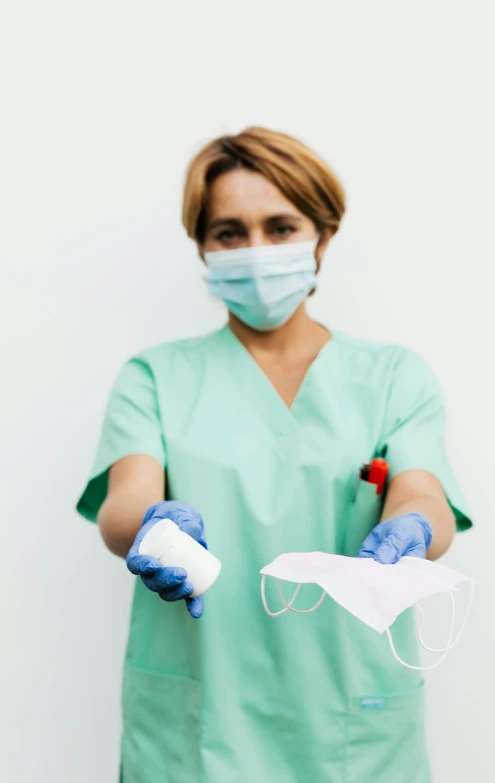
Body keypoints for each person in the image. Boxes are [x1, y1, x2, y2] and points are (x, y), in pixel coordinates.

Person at [77, 127, 472, 783]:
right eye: (229, 232)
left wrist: (417, 524)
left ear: (323, 234)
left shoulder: (393, 377)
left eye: (280, 226)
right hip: (200, 729)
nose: (255, 251)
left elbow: (422, 490)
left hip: (352, 724)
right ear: (202, 245)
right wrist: (152, 526)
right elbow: (125, 499)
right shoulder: (154, 376)